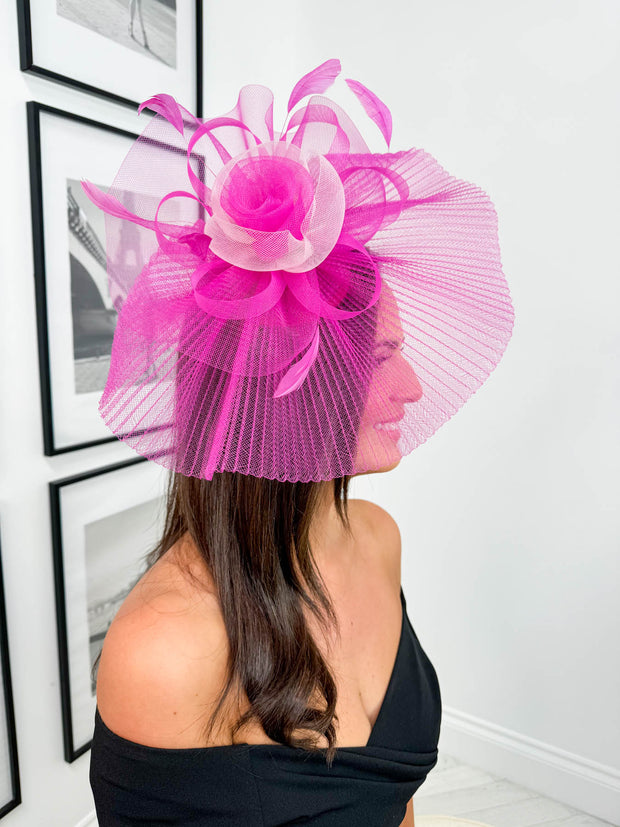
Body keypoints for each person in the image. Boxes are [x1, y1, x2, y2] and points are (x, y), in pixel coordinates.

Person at [82, 59, 514, 825]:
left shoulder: (376, 537)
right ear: (290, 387)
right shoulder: (163, 650)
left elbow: (394, 801)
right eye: (381, 359)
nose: (414, 387)